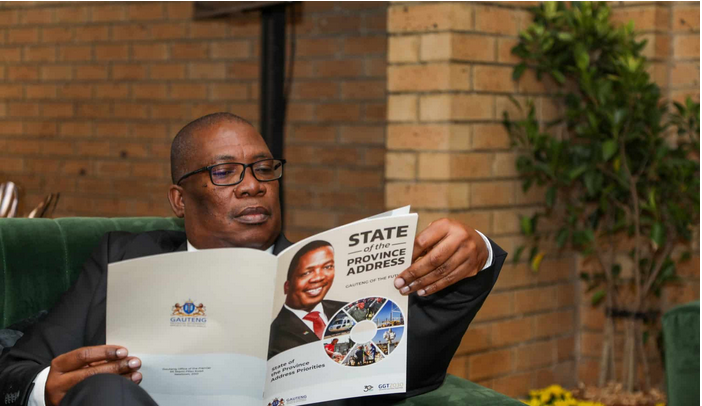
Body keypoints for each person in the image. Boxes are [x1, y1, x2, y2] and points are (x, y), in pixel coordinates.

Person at [0, 112, 506, 406]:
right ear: (179, 200)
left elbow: (411, 365)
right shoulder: (121, 257)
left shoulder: (323, 271)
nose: (253, 183)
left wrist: (473, 256)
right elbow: (21, 367)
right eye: (224, 172)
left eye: (264, 167)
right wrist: (50, 389)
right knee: (105, 393)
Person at [268, 240, 345, 359]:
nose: (319, 278)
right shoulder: (273, 335)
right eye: (306, 273)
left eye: (327, 267)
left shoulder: (347, 309)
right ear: (286, 287)